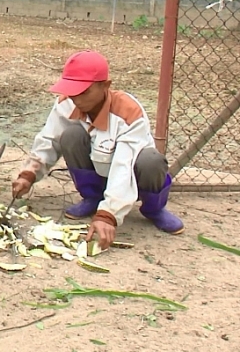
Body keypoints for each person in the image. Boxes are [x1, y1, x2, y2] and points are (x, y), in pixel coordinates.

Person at [11, 50, 184, 249]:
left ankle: (154, 209)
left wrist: (108, 214)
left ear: (105, 86)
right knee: (70, 135)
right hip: (99, 168)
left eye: (84, 92)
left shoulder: (128, 112)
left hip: (133, 174)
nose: (77, 99)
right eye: (72, 91)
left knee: (151, 160)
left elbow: (123, 167)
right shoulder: (66, 103)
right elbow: (48, 139)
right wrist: (28, 174)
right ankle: (93, 197)